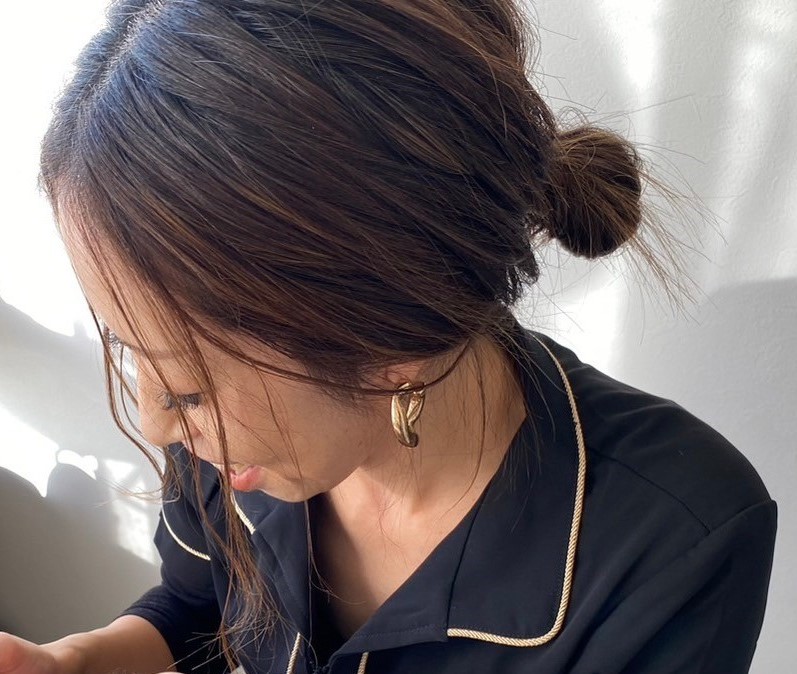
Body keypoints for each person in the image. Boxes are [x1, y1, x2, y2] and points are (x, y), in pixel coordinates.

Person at [0, 0, 776, 672]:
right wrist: (81, 659)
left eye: (187, 387)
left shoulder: (672, 540)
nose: (157, 419)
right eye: (128, 347)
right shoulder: (226, 435)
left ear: (391, 347)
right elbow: (195, 603)